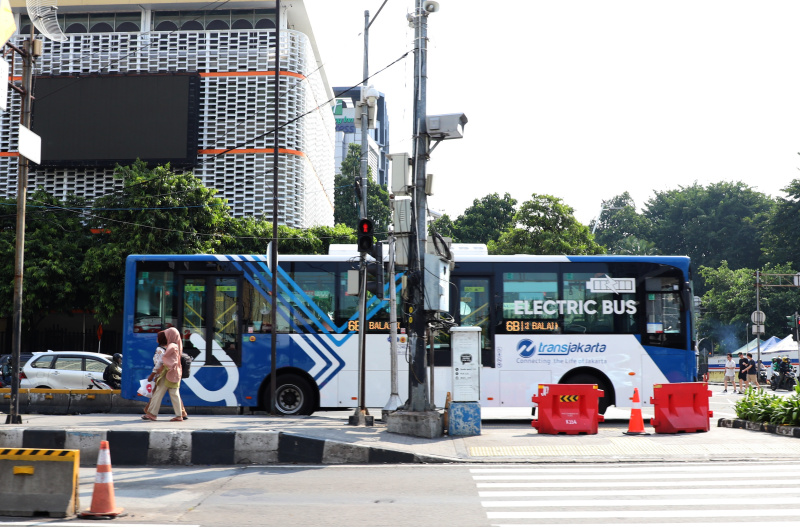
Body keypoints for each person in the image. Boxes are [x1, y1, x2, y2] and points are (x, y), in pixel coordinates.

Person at [143, 327, 186, 421]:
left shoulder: (169, 347)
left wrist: (153, 374)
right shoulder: (177, 346)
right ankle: (179, 415)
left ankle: (152, 414)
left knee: (158, 393)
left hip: (166, 373)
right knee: (174, 394)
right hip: (174, 373)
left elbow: (161, 361)